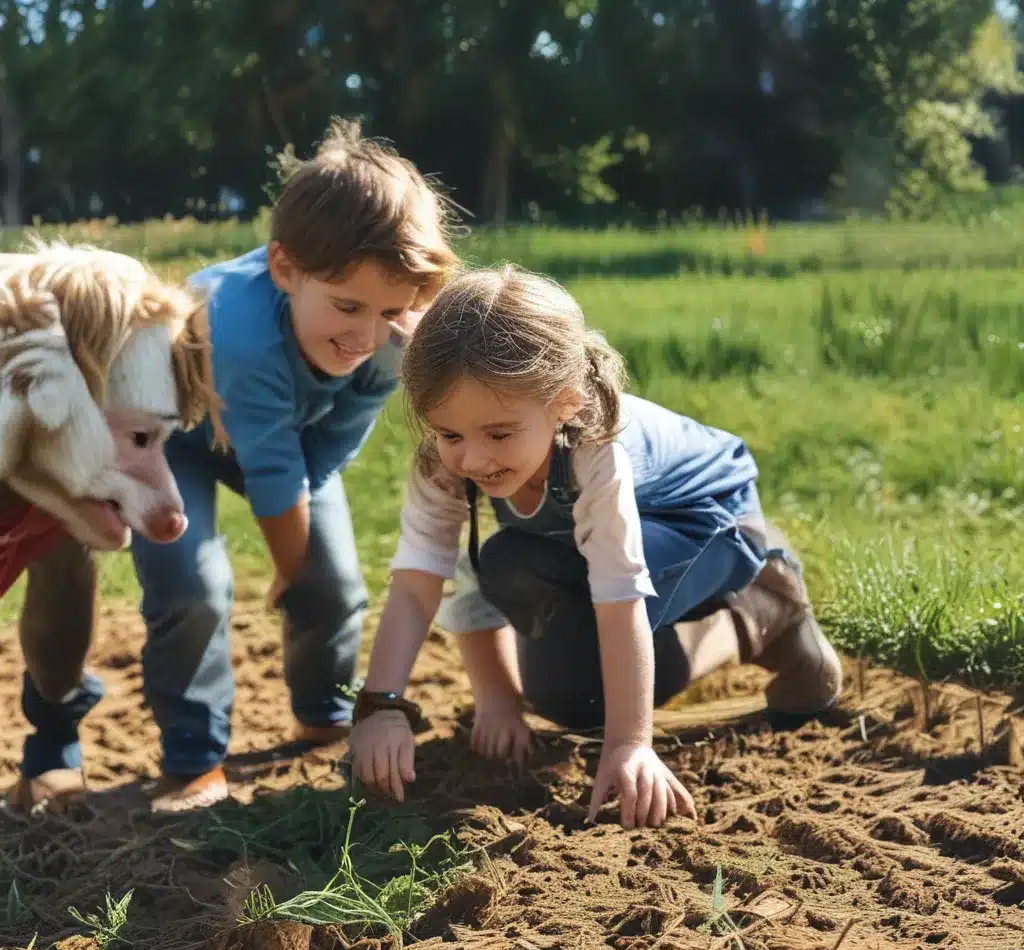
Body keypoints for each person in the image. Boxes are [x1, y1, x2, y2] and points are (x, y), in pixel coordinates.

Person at [348, 264, 843, 830]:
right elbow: (423, 583)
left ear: (563, 404)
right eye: (451, 433)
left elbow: (618, 596)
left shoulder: (593, 449)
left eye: (500, 434)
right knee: (558, 685)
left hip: (707, 520)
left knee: (601, 704)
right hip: (593, 543)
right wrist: (390, 705)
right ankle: (683, 647)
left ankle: (760, 614)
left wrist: (630, 745)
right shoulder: (448, 465)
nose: (474, 457)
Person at [130, 119, 461, 813]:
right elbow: (274, 487)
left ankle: (323, 717)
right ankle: (193, 761)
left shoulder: (393, 342)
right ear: (284, 269)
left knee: (334, 585)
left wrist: (305, 571)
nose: (365, 333)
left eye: (392, 310)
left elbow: (330, 444)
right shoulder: (241, 334)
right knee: (195, 589)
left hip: (287, 439)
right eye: (346, 305)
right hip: (174, 439)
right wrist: (286, 568)